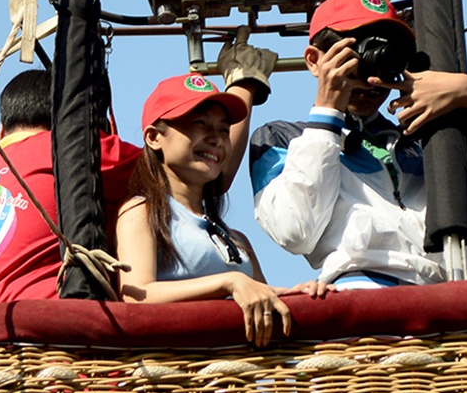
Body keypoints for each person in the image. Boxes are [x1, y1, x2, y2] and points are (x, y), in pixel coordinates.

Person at [250, 0, 467, 288]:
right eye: (357, 51)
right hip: (365, 302)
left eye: (386, 53)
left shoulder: (436, 141)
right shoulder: (281, 139)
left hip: (447, 304)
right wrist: (326, 114)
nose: (373, 71)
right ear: (314, 60)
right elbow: (296, 230)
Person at [0, 68, 143, 360]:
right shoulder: (71, 153)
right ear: (70, 121)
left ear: (2, 130)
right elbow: (176, 167)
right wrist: (232, 83)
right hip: (65, 362)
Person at [114, 66, 324, 344]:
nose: (216, 138)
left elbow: (260, 295)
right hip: (176, 379)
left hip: (238, 381)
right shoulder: (142, 212)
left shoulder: (238, 240)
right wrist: (230, 281)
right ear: (154, 137)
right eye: (199, 124)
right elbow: (136, 295)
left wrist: (295, 294)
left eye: (224, 130)